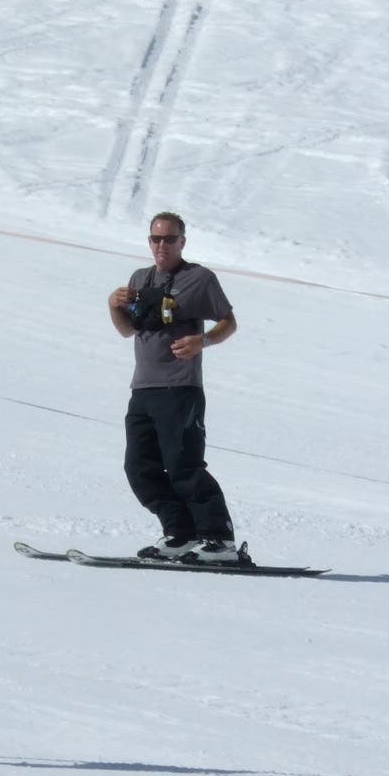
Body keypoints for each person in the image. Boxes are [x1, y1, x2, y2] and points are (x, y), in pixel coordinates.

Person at [107, 212, 239, 563]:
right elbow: (126, 330)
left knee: (183, 465)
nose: (161, 246)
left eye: (169, 239)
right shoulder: (139, 278)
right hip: (143, 390)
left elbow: (229, 322)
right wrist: (113, 305)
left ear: (183, 241)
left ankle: (219, 540)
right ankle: (180, 533)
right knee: (139, 468)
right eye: (155, 239)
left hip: (180, 389)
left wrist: (204, 342)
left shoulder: (199, 279)